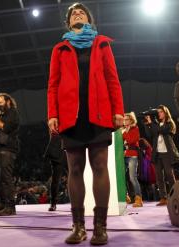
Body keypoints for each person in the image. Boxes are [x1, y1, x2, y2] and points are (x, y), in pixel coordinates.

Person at [46, 2, 124, 245]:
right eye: (72, 13)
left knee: (100, 166)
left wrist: (118, 111)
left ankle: (100, 228)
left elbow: (113, 79)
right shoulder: (60, 48)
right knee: (75, 168)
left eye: (81, 12)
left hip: (99, 114)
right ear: (68, 22)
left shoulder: (101, 43)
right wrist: (52, 113)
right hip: (70, 116)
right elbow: (53, 84)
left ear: (89, 19)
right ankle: (78, 227)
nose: (77, 13)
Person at [0, 93, 20, 216]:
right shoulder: (1, 113)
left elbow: (5, 128)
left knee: (6, 178)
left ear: (8, 102)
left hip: (8, 148)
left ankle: (10, 207)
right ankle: (2, 203)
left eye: (0, 102)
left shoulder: (13, 112)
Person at [143, 105, 179, 206]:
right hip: (157, 153)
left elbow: (162, 130)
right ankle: (163, 198)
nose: (159, 113)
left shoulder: (169, 123)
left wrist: (152, 124)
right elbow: (150, 134)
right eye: (158, 112)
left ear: (165, 113)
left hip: (167, 153)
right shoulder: (156, 124)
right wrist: (147, 124)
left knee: (169, 175)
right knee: (159, 177)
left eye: (161, 112)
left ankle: (174, 196)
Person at [122, 112, 143, 207]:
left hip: (132, 156)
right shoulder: (122, 130)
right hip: (123, 156)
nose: (124, 121)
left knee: (132, 177)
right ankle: (125, 196)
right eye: (124, 119)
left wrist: (125, 132)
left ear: (131, 120)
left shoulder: (135, 129)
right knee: (121, 177)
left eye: (126, 119)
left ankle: (138, 199)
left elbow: (131, 140)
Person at [43, 133, 67, 211]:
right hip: (58, 151)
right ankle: (53, 203)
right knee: (55, 180)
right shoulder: (54, 122)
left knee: (73, 178)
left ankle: (76, 203)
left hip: (68, 148)